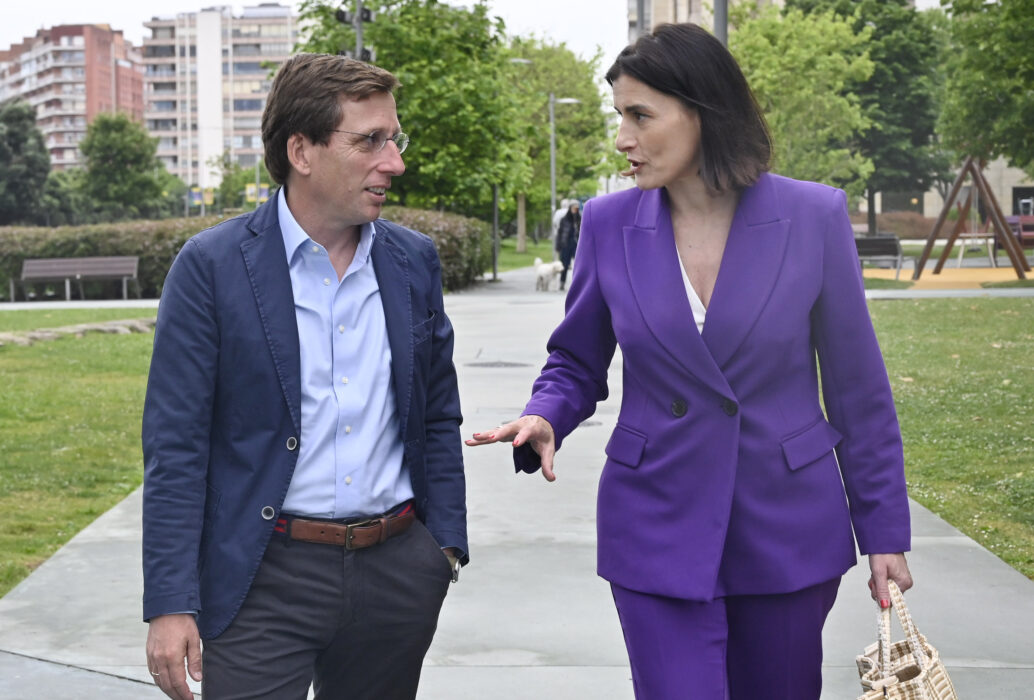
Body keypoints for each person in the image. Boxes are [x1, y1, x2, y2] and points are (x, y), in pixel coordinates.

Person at [466, 23, 912, 700]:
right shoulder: (608, 223)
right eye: (619, 116)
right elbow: (577, 362)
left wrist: (884, 533)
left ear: (703, 112)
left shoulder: (813, 216)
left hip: (785, 526)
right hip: (656, 520)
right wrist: (544, 416)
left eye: (640, 115)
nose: (622, 138)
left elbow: (858, 391)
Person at [142, 53, 467, 700]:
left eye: (394, 138)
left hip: (396, 570)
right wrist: (170, 601)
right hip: (263, 575)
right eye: (370, 140)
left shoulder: (413, 263)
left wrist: (443, 548)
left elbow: (437, 413)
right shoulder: (212, 268)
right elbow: (175, 446)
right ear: (303, 150)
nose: (394, 161)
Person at [555, 201, 581, 290]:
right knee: (564, 264)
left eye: (576, 208)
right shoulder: (564, 219)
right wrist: (558, 246)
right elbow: (560, 233)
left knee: (579, 264)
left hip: (576, 244)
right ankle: (562, 282)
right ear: (570, 208)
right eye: (573, 208)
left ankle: (579, 284)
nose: (575, 210)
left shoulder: (579, 219)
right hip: (566, 244)